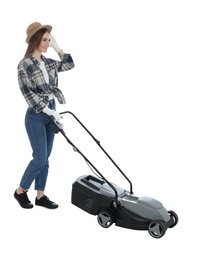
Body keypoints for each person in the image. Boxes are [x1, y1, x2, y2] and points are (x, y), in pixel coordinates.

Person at [14, 22, 75, 209]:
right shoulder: (24, 65)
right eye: (45, 40)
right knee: (40, 157)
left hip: (51, 110)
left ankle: (40, 196)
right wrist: (47, 110)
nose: (48, 43)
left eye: (50, 40)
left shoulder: (48, 63)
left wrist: (58, 48)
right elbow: (27, 94)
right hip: (36, 115)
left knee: (46, 157)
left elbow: (69, 64)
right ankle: (20, 191)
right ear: (34, 41)